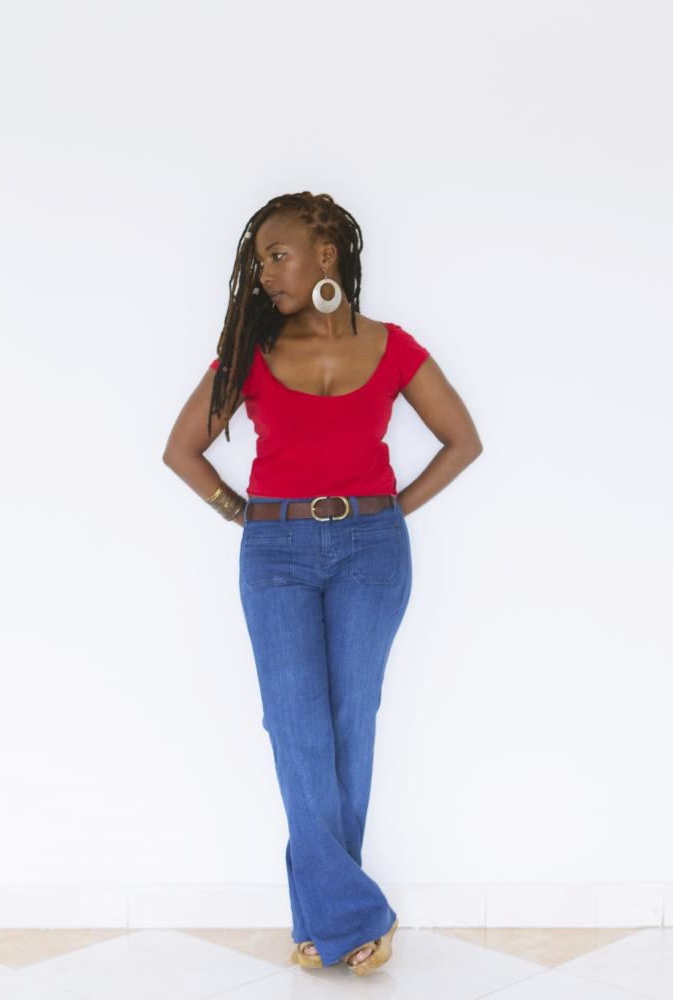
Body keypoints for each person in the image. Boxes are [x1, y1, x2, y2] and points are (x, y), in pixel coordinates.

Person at [163, 191, 483, 975]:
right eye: (260, 261)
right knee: (293, 725)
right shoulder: (252, 352)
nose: (266, 274)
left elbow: (462, 440)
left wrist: (389, 511)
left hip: (373, 550)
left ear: (327, 257)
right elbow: (181, 450)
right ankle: (351, 918)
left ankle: (323, 919)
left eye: (278, 256)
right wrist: (243, 512)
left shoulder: (394, 347)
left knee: (349, 722)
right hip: (276, 551)